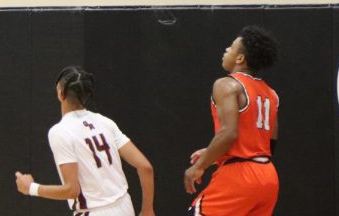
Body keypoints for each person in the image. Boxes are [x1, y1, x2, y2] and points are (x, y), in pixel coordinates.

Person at [15, 66, 155, 216]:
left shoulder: (60, 131)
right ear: (86, 95)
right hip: (124, 207)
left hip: (93, 211)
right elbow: (145, 167)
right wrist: (147, 210)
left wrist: (31, 188)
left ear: (60, 94)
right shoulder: (106, 122)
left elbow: (71, 190)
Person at [184, 26, 280, 216]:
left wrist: (199, 166)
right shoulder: (271, 94)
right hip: (268, 176)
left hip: (239, 177)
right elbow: (270, 142)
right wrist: (215, 152)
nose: (226, 50)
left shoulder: (227, 84)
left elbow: (228, 133)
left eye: (231, 47)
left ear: (240, 59)